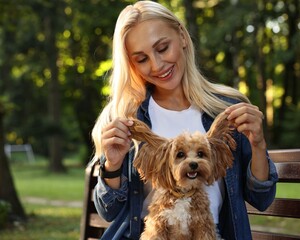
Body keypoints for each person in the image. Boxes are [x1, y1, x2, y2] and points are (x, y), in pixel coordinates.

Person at [91, 1, 278, 239]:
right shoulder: (126, 118)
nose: (157, 65)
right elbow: (109, 211)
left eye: (162, 47)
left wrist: (259, 145)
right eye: (141, 58)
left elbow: (261, 199)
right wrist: (112, 165)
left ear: (182, 36)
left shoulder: (227, 110)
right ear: (131, 64)